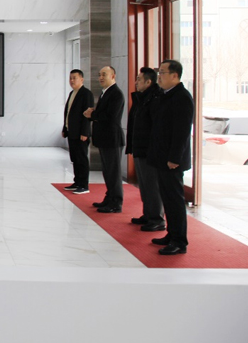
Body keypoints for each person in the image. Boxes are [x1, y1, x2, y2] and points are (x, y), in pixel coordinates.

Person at [149, 59, 195, 255]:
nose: (159, 76)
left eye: (162, 73)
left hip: (172, 160)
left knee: (175, 200)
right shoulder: (165, 95)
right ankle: (171, 233)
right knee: (167, 198)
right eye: (159, 72)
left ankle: (179, 241)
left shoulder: (182, 97)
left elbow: (182, 132)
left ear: (175, 75)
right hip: (162, 156)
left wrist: (175, 158)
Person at [125, 67, 165, 232]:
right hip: (140, 147)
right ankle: (148, 214)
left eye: (139, 80)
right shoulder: (142, 98)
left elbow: (156, 127)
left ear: (148, 82)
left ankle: (157, 218)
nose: (136, 82)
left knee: (152, 185)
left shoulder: (155, 98)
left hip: (149, 150)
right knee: (144, 184)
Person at [83, 66, 126, 213]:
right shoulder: (105, 92)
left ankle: (116, 202)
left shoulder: (116, 94)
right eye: (99, 75)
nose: (101, 77)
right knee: (107, 172)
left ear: (113, 76)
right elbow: (103, 113)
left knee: (113, 172)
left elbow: (111, 117)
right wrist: (93, 113)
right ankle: (109, 197)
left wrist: (93, 115)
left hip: (112, 139)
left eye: (104, 75)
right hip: (105, 138)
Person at [61, 69, 94, 194]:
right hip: (72, 132)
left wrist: (85, 132)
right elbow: (68, 113)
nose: (72, 80)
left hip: (81, 134)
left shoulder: (86, 94)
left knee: (82, 159)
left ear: (82, 79)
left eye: (74, 78)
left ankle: (84, 185)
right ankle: (77, 182)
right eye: (70, 78)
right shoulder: (72, 93)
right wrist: (65, 128)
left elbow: (87, 115)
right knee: (75, 158)